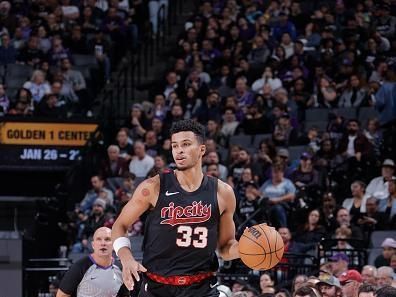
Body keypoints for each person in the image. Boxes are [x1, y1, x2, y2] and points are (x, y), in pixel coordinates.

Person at [111, 119, 240, 296]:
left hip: (202, 287)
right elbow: (120, 225)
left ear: (202, 149)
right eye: (174, 145)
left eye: (186, 144)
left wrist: (247, 250)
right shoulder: (153, 187)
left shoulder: (223, 192)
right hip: (157, 287)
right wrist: (126, 259)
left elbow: (225, 248)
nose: (179, 150)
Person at [56, 227, 129, 297]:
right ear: (93, 245)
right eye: (99, 239)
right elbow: (62, 295)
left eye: (107, 239)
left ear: (114, 245)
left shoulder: (121, 268)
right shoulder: (79, 267)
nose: (103, 243)